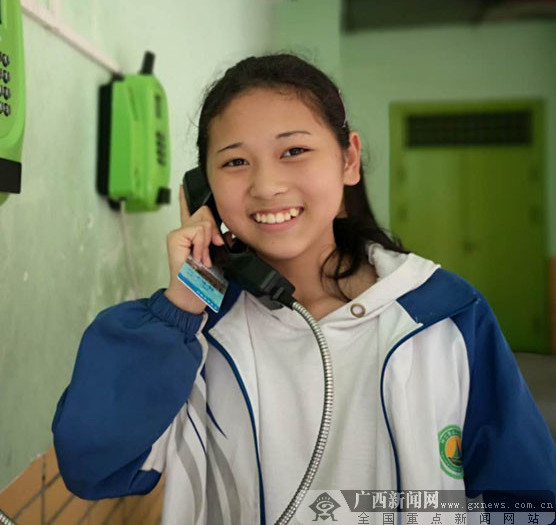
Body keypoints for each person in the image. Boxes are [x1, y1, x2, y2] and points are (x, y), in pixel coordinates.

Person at [51, 54, 556, 524]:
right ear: (200, 191)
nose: (266, 185)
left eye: (294, 150)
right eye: (234, 162)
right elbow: (94, 468)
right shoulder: (186, 337)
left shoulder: (444, 313)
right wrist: (185, 304)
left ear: (348, 160)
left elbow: (528, 499)